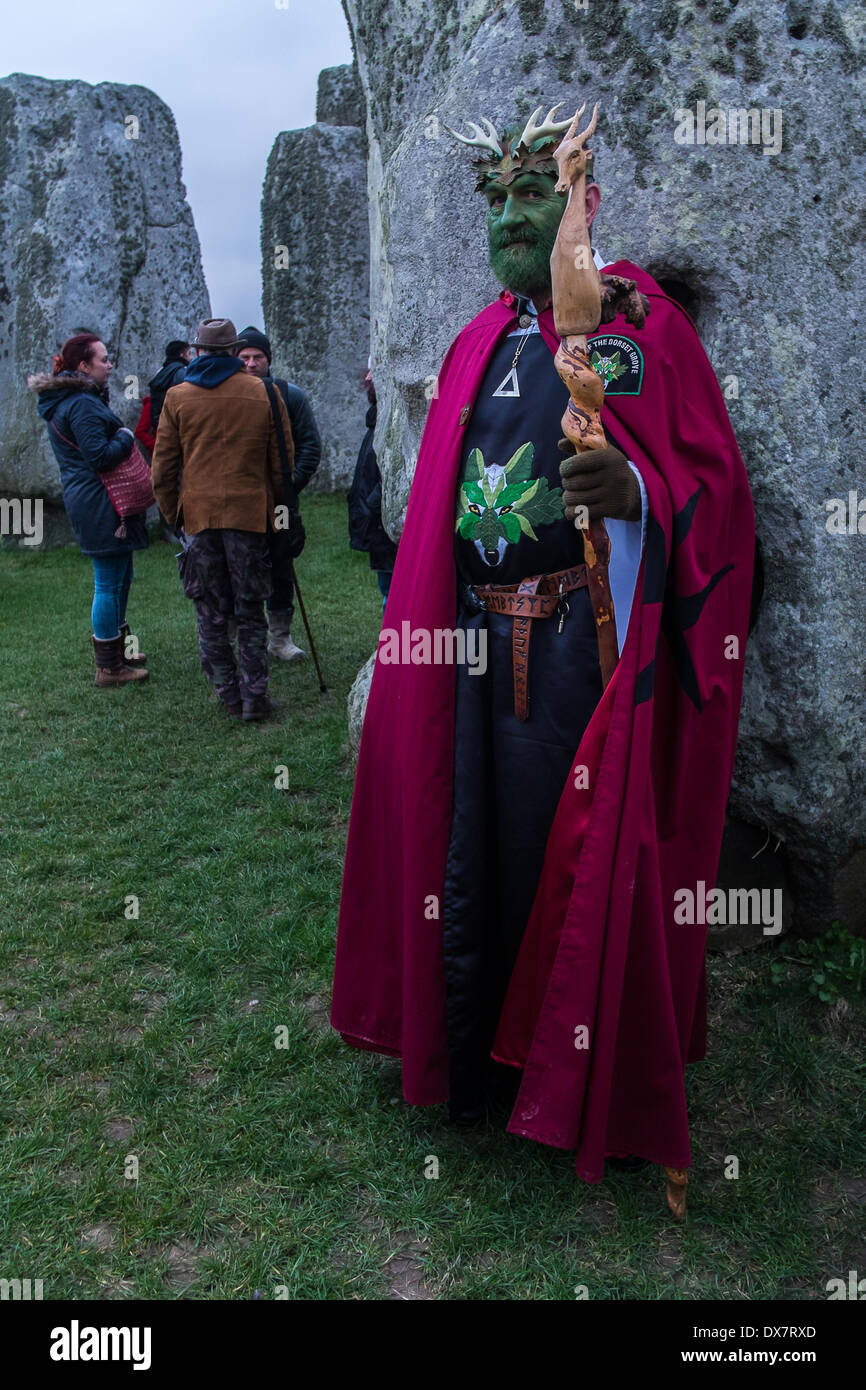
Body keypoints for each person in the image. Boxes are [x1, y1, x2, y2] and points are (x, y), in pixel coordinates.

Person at [331, 102, 755, 1205]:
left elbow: (713, 494)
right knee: (465, 848)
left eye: (535, 192)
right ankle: (471, 1055)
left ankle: (569, 1077)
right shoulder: (476, 343)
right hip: (468, 647)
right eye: (495, 199)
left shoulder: (637, 329)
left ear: (584, 201)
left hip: (582, 651)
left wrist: (637, 496)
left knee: (568, 854)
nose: (511, 217)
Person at [150, 318, 290, 722]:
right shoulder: (264, 392)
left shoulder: (177, 397)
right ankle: (255, 696)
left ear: (196, 352)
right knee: (250, 609)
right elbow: (281, 462)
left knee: (211, 611)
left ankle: (227, 693)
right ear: (234, 351)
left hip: (199, 517)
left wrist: (174, 515)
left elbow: (163, 468)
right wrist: (279, 510)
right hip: (250, 516)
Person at [29, 333, 149, 688]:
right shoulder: (80, 404)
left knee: (121, 576)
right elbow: (98, 456)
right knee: (109, 582)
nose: (110, 365)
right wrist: (126, 435)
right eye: (103, 359)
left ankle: (119, 653)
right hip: (99, 501)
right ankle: (109, 668)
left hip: (97, 498)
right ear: (83, 366)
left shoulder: (75, 400)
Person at [237, 327, 322, 663]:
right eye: (244, 357)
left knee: (281, 563)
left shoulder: (290, 396)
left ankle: (280, 637)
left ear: (268, 359)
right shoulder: (227, 398)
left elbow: (310, 445)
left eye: (257, 357)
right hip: (241, 501)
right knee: (241, 565)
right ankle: (247, 635)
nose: (251, 363)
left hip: (282, 503)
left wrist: (289, 485)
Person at [347, 369, 398, 612]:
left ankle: (397, 635)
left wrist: (371, 505)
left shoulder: (394, 421)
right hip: (378, 524)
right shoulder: (376, 419)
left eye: (373, 372)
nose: (367, 378)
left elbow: (394, 473)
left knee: (395, 592)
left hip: (386, 522)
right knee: (388, 588)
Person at [148, 340, 190, 433]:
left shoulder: (161, 372)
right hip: (178, 426)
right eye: (189, 354)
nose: (190, 357)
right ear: (182, 355)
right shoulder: (183, 372)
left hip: (161, 424)